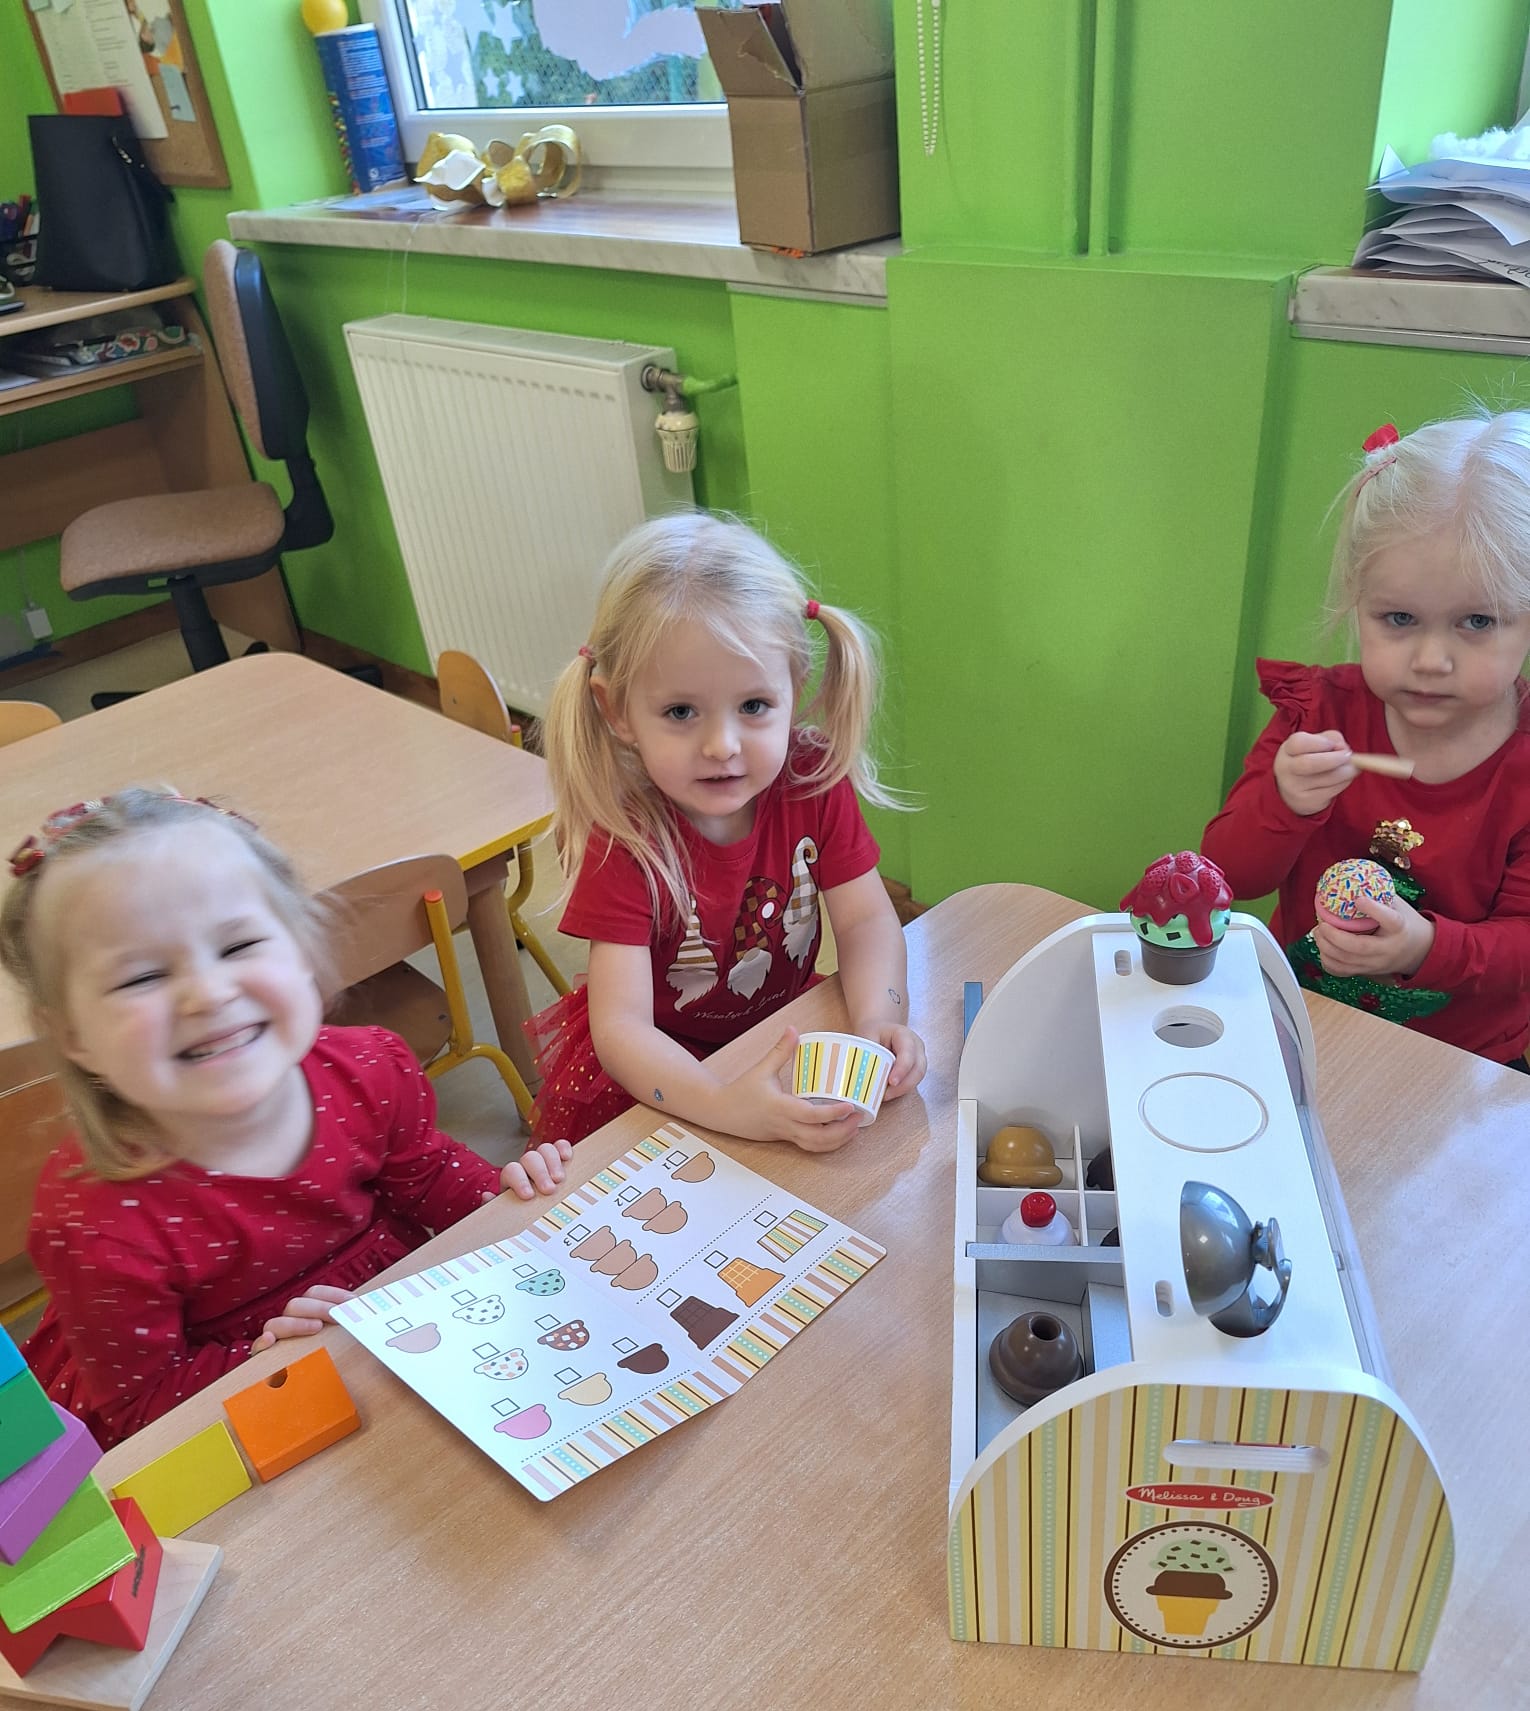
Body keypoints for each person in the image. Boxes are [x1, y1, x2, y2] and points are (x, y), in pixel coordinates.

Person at [0, 789, 572, 1447]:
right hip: (240, 1397)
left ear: (300, 952)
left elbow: (427, 1177)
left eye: (238, 944)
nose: (207, 994)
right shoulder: (93, 1223)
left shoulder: (369, 1067)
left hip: (393, 1324)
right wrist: (261, 1363)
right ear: (72, 1034)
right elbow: (142, 1405)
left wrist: (505, 1198)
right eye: (140, 978)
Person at [532, 511, 926, 1145]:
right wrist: (724, 1104)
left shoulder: (812, 779)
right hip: (665, 1077)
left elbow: (865, 921)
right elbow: (623, 1029)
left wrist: (881, 1017)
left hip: (776, 1035)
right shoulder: (624, 836)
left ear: (794, 688)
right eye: (680, 711)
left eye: (754, 705)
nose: (722, 745)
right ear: (617, 710)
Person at [1202, 412, 1530, 1065]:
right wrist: (1285, 802)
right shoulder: (1317, 716)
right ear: (1358, 604)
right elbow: (1230, 876)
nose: (1431, 660)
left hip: (1463, 1059)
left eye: (1477, 621)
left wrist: (1425, 948)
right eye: (1399, 618)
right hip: (1304, 1018)